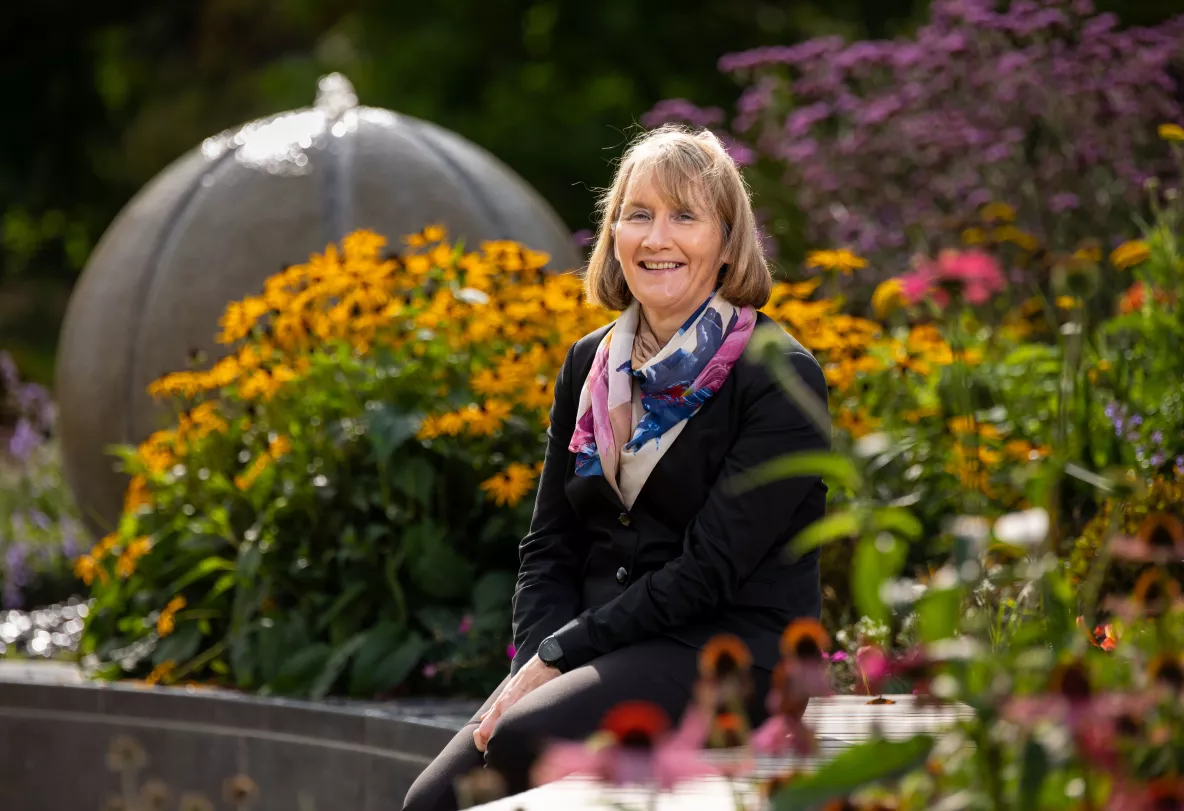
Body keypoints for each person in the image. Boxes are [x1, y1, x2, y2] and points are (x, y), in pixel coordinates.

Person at [402, 124, 830, 811]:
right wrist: (538, 656)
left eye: (685, 216)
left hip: (731, 658)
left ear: (726, 242)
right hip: (604, 649)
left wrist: (558, 657)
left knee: (521, 740)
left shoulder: (778, 376)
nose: (657, 238)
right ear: (614, 235)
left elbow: (709, 570)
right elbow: (550, 543)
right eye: (639, 215)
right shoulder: (589, 363)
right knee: (431, 801)